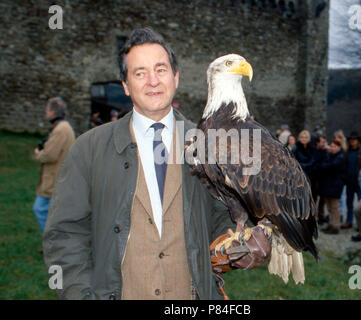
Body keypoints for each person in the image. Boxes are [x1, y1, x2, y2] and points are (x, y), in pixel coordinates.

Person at [42, 27, 270, 300]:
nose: (152, 81)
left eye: (161, 70)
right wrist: (80, 295)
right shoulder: (87, 149)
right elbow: (64, 234)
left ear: (175, 78)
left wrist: (238, 246)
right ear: (125, 85)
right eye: (140, 73)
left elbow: (224, 217)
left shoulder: (211, 145)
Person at [33, 97, 75, 232]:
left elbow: (50, 155)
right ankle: (55, 245)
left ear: (52, 112)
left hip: (55, 179)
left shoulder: (61, 130)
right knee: (54, 214)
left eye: (47, 110)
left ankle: (53, 244)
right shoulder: (62, 128)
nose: (46, 113)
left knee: (40, 209)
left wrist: (38, 153)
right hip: (59, 177)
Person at [342, 131, 361, 229]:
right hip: (349, 181)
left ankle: (360, 224)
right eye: (350, 140)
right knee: (349, 203)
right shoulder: (347, 152)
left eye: (354, 140)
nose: (352, 142)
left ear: (358, 141)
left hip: (360, 183)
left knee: (360, 205)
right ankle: (349, 221)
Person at [318, 140, 346, 234]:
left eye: (335, 146)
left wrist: (324, 164)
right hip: (329, 186)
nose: (333, 148)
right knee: (330, 208)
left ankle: (335, 226)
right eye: (332, 146)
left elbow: (329, 166)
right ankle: (331, 224)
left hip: (335, 186)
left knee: (335, 207)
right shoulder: (332, 155)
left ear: (339, 147)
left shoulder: (340, 157)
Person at [313, 134, 328, 224]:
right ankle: (314, 217)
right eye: (322, 142)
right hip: (315, 178)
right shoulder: (314, 151)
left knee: (322, 200)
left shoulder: (325, 152)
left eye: (324, 142)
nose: (323, 144)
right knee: (314, 199)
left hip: (323, 178)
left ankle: (320, 216)